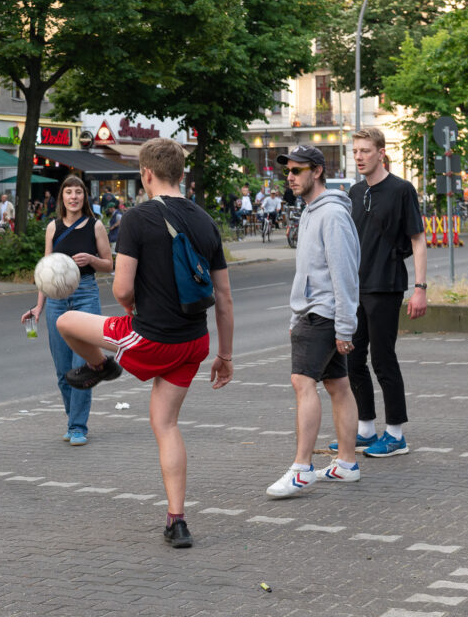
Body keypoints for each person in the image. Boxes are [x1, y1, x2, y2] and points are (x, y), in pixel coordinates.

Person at [55, 137, 233, 548]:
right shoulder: (206, 221)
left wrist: (130, 305)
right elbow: (223, 298)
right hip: (194, 342)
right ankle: (177, 520)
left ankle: (101, 366)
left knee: (66, 321)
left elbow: (121, 289)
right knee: (166, 424)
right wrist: (225, 354)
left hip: (150, 338)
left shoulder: (136, 219)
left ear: (146, 174)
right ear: (181, 173)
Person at [265, 145, 361, 498]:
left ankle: (302, 468)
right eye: (288, 171)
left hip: (323, 312)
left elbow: (344, 272)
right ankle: (346, 464)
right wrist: (296, 314)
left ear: (317, 171)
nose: (290, 177)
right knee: (338, 385)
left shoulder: (331, 214)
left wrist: (345, 325)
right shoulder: (310, 211)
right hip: (313, 310)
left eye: (297, 170)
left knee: (302, 382)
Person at [334, 127, 427, 459]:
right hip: (355, 288)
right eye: (355, 151)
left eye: (365, 151)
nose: (359, 157)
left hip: (386, 285)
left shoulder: (401, 190)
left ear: (381, 153)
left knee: (383, 359)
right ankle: (365, 429)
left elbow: (418, 239)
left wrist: (420, 288)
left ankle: (396, 434)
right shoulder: (355, 192)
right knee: (353, 359)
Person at [20, 175, 113, 447]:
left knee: (81, 367)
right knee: (63, 371)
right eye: (69, 192)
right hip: (57, 300)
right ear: (62, 197)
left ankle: (77, 426)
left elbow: (109, 264)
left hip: (85, 295)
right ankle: (73, 419)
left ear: (85, 197)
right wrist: (39, 306)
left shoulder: (95, 226)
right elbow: (45, 271)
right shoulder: (53, 227)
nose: (74, 197)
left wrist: (92, 259)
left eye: (78, 192)